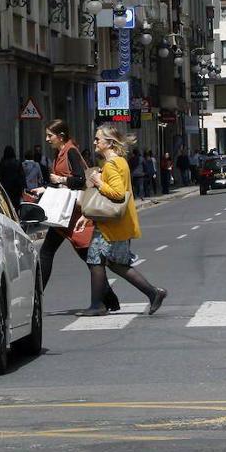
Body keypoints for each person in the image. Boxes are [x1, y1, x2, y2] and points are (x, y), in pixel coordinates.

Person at [79, 125, 168, 317]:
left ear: (109, 143)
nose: (95, 142)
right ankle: (151, 293)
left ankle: (99, 305)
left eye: (98, 139)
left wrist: (99, 182)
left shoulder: (111, 165)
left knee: (99, 260)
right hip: (114, 223)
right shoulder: (119, 162)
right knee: (110, 262)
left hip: (111, 225)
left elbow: (118, 194)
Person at [36, 119, 121, 312]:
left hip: (73, 214)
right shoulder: (62, 152)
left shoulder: (71, 152)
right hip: (65, 214)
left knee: (88, 258)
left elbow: (80, 179)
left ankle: (113, 299)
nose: (47, 139)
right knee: (48, 252)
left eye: (50, 135)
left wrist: (60, 179)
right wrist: (45, 188)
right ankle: (110, 300)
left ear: (61, 137)